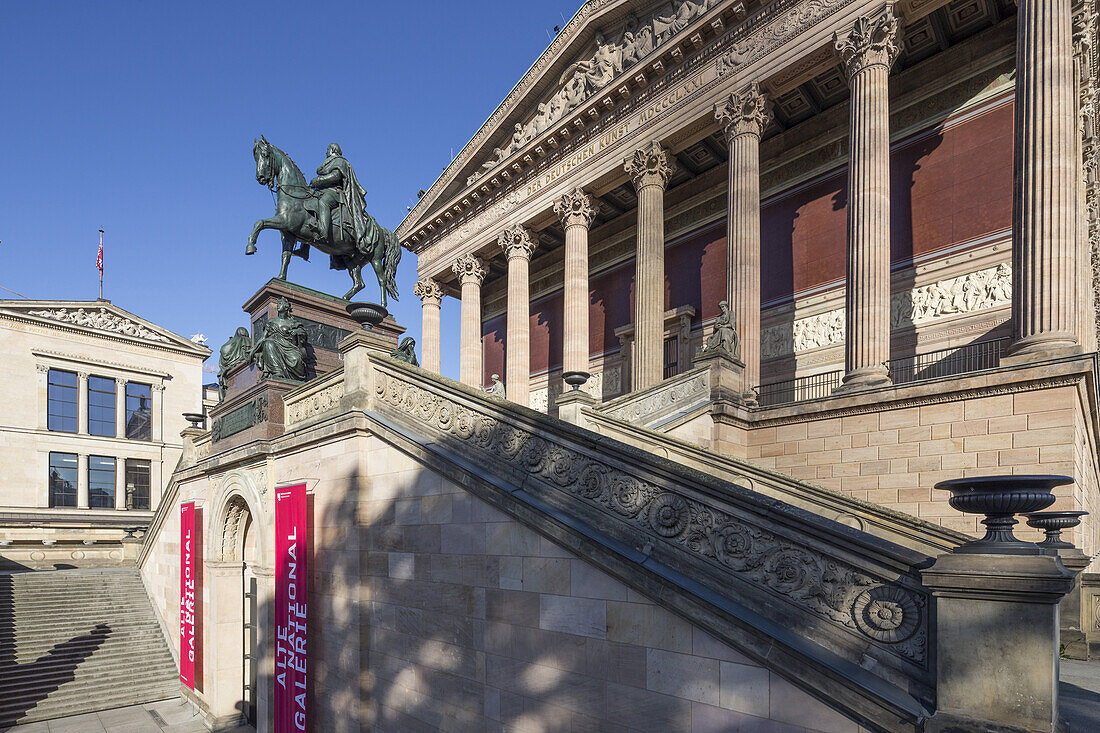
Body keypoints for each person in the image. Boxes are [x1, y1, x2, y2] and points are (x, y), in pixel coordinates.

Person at [310, 143, 368, 245]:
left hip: (335, 193)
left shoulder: (340, 161)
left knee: (324, 202)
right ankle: (305, 248)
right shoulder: (329, 163)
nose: (326, 152)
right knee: (309, 205)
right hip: (323, 190)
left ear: (332, 150)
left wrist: (318, 180)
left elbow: (336, 176)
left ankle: (323, 233)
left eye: (327, 149)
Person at [249, 298, 308, 381]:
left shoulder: (293, 322)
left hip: (289, 346)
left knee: (296, 359)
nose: (278, 306)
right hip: (274, 344)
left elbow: (302, 332)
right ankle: (277, 372)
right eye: (278, 304)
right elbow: (263, 338)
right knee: (268, 343)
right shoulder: (271, 322)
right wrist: (253, 350)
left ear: (286, 307)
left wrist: (296, 331)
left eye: (281, 304)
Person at [217, 327, 252, 400]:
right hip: (246, 368)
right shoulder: (248, 340)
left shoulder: (231, 342)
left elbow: (223, 350)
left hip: (230, 370)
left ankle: (222, 400)